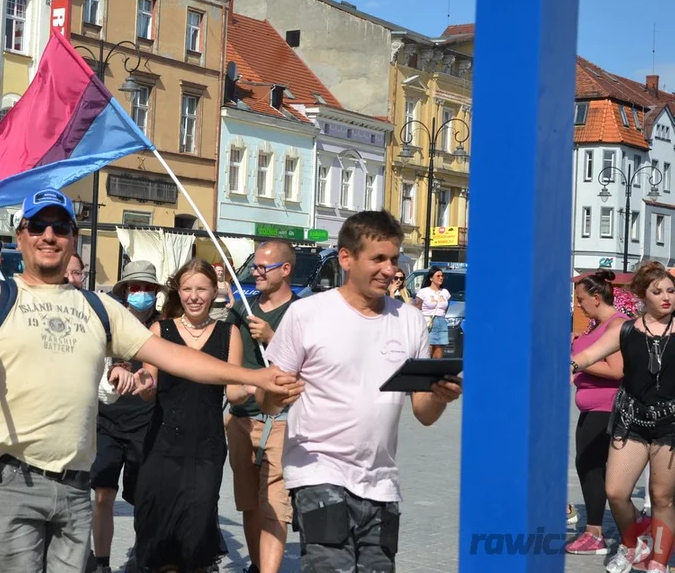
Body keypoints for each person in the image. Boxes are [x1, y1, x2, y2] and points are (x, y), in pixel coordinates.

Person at [0, 188, 301, 573]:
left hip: (73, 488)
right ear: (20, 235)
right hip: (8, 482)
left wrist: (253, 374)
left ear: (73, 237)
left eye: (59, 227)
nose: (48, 235)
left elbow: (178, 358)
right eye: (37, 225)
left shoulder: (98, 308)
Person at [258, 210, 461, 572]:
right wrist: (276, 396)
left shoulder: (410, 320)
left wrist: (441, 397)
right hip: (318, 472)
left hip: (381, 482)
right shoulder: (308, 314)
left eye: (394, 259)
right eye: (378, 259)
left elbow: (424, 414)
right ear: (346, 258)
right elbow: (268, 399)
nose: (390, 270)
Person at [133, 258, 249, 573]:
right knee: (159, 531)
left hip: (206, 446)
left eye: (201, 289)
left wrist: (258, 385)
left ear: (214, 292)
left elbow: (234, 392)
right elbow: (149, 385)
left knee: (196, 529)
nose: (194, 296)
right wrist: (143, 383)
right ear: (178, 292)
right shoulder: (160, 329)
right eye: (187, 289)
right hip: (163, 444)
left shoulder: (229, 334)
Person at [572, 261, 675, 573]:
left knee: (662, 498)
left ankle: (658, 560)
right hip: (632, 421)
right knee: (616, 492)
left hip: (670, 424)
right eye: (657, 291)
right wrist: (566, 365)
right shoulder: (627, 329)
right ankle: (632, 546)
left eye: (671, 290)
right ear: (643, 295)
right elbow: (588, 355)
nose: (666, 297)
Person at [225, 240, 298, 573]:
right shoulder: (242, 309)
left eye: (262, 267)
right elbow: (232, 363)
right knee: (249, 503)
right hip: (240, 420)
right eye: (253, 266)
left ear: (285, 270)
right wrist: (237, 389)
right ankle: (256, 566)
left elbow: (305, 366)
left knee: (275, 506)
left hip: (281, 422)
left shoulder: (301, 313)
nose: (255, 272)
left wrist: (271, 337)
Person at [88, 260, 163, 573]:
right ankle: (102, 563)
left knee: (143, 498)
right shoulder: (111, 322)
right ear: (125, 291)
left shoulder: (165, 326)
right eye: (135, 287)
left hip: (148, 425)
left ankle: (142, 554)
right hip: (107, 421)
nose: (141, 294)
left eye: (147, 288)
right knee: (103, 494)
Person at [566, 270, 627, 554]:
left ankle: (595, 532)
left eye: (581, 300)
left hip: (606, 407)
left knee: (592, 467)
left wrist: (577, 361)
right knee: (587, 466)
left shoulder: (617, 325)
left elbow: (617, 371)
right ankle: (598, 529)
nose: (578, 305)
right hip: (590, 408)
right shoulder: (596, 325)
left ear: (596, 297)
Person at [414, 266, 451, 358]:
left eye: (442, 276)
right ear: (431, 278)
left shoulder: (445, 292)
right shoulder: (423, 292)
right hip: (428, 322)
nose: (441, 278)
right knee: (427, 350)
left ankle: (437, 371)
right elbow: (417, 309)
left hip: (441, 322)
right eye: (438, 276)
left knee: (439, 351)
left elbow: (446, 308)